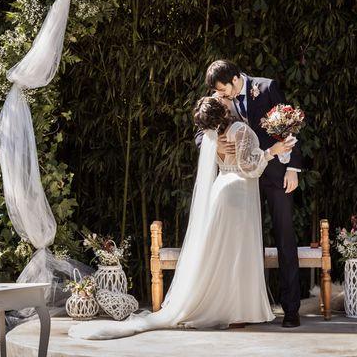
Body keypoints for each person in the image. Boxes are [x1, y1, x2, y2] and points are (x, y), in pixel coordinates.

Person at [69, 97, 295, 340]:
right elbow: (250, 167)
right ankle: (236, 311)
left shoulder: (215, 138)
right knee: (236, 253)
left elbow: (230, 162)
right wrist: (273, 151)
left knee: (223, 253)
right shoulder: (239, 130)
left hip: (222, 189)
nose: (225, 99)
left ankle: (230, 308)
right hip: (238, 192)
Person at [196, 59, 303, 328]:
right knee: (241, 245)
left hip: (275, 174)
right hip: (241, 182)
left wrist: (293, 167)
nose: (220, 96)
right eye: (217, 93)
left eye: (222, 90)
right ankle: (242, 307)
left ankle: (291, 310)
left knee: (284, 237)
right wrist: (216, 142)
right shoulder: (219, 98)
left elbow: (290, 127)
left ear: (235, 79)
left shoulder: (266, 88)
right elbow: (200, 133)